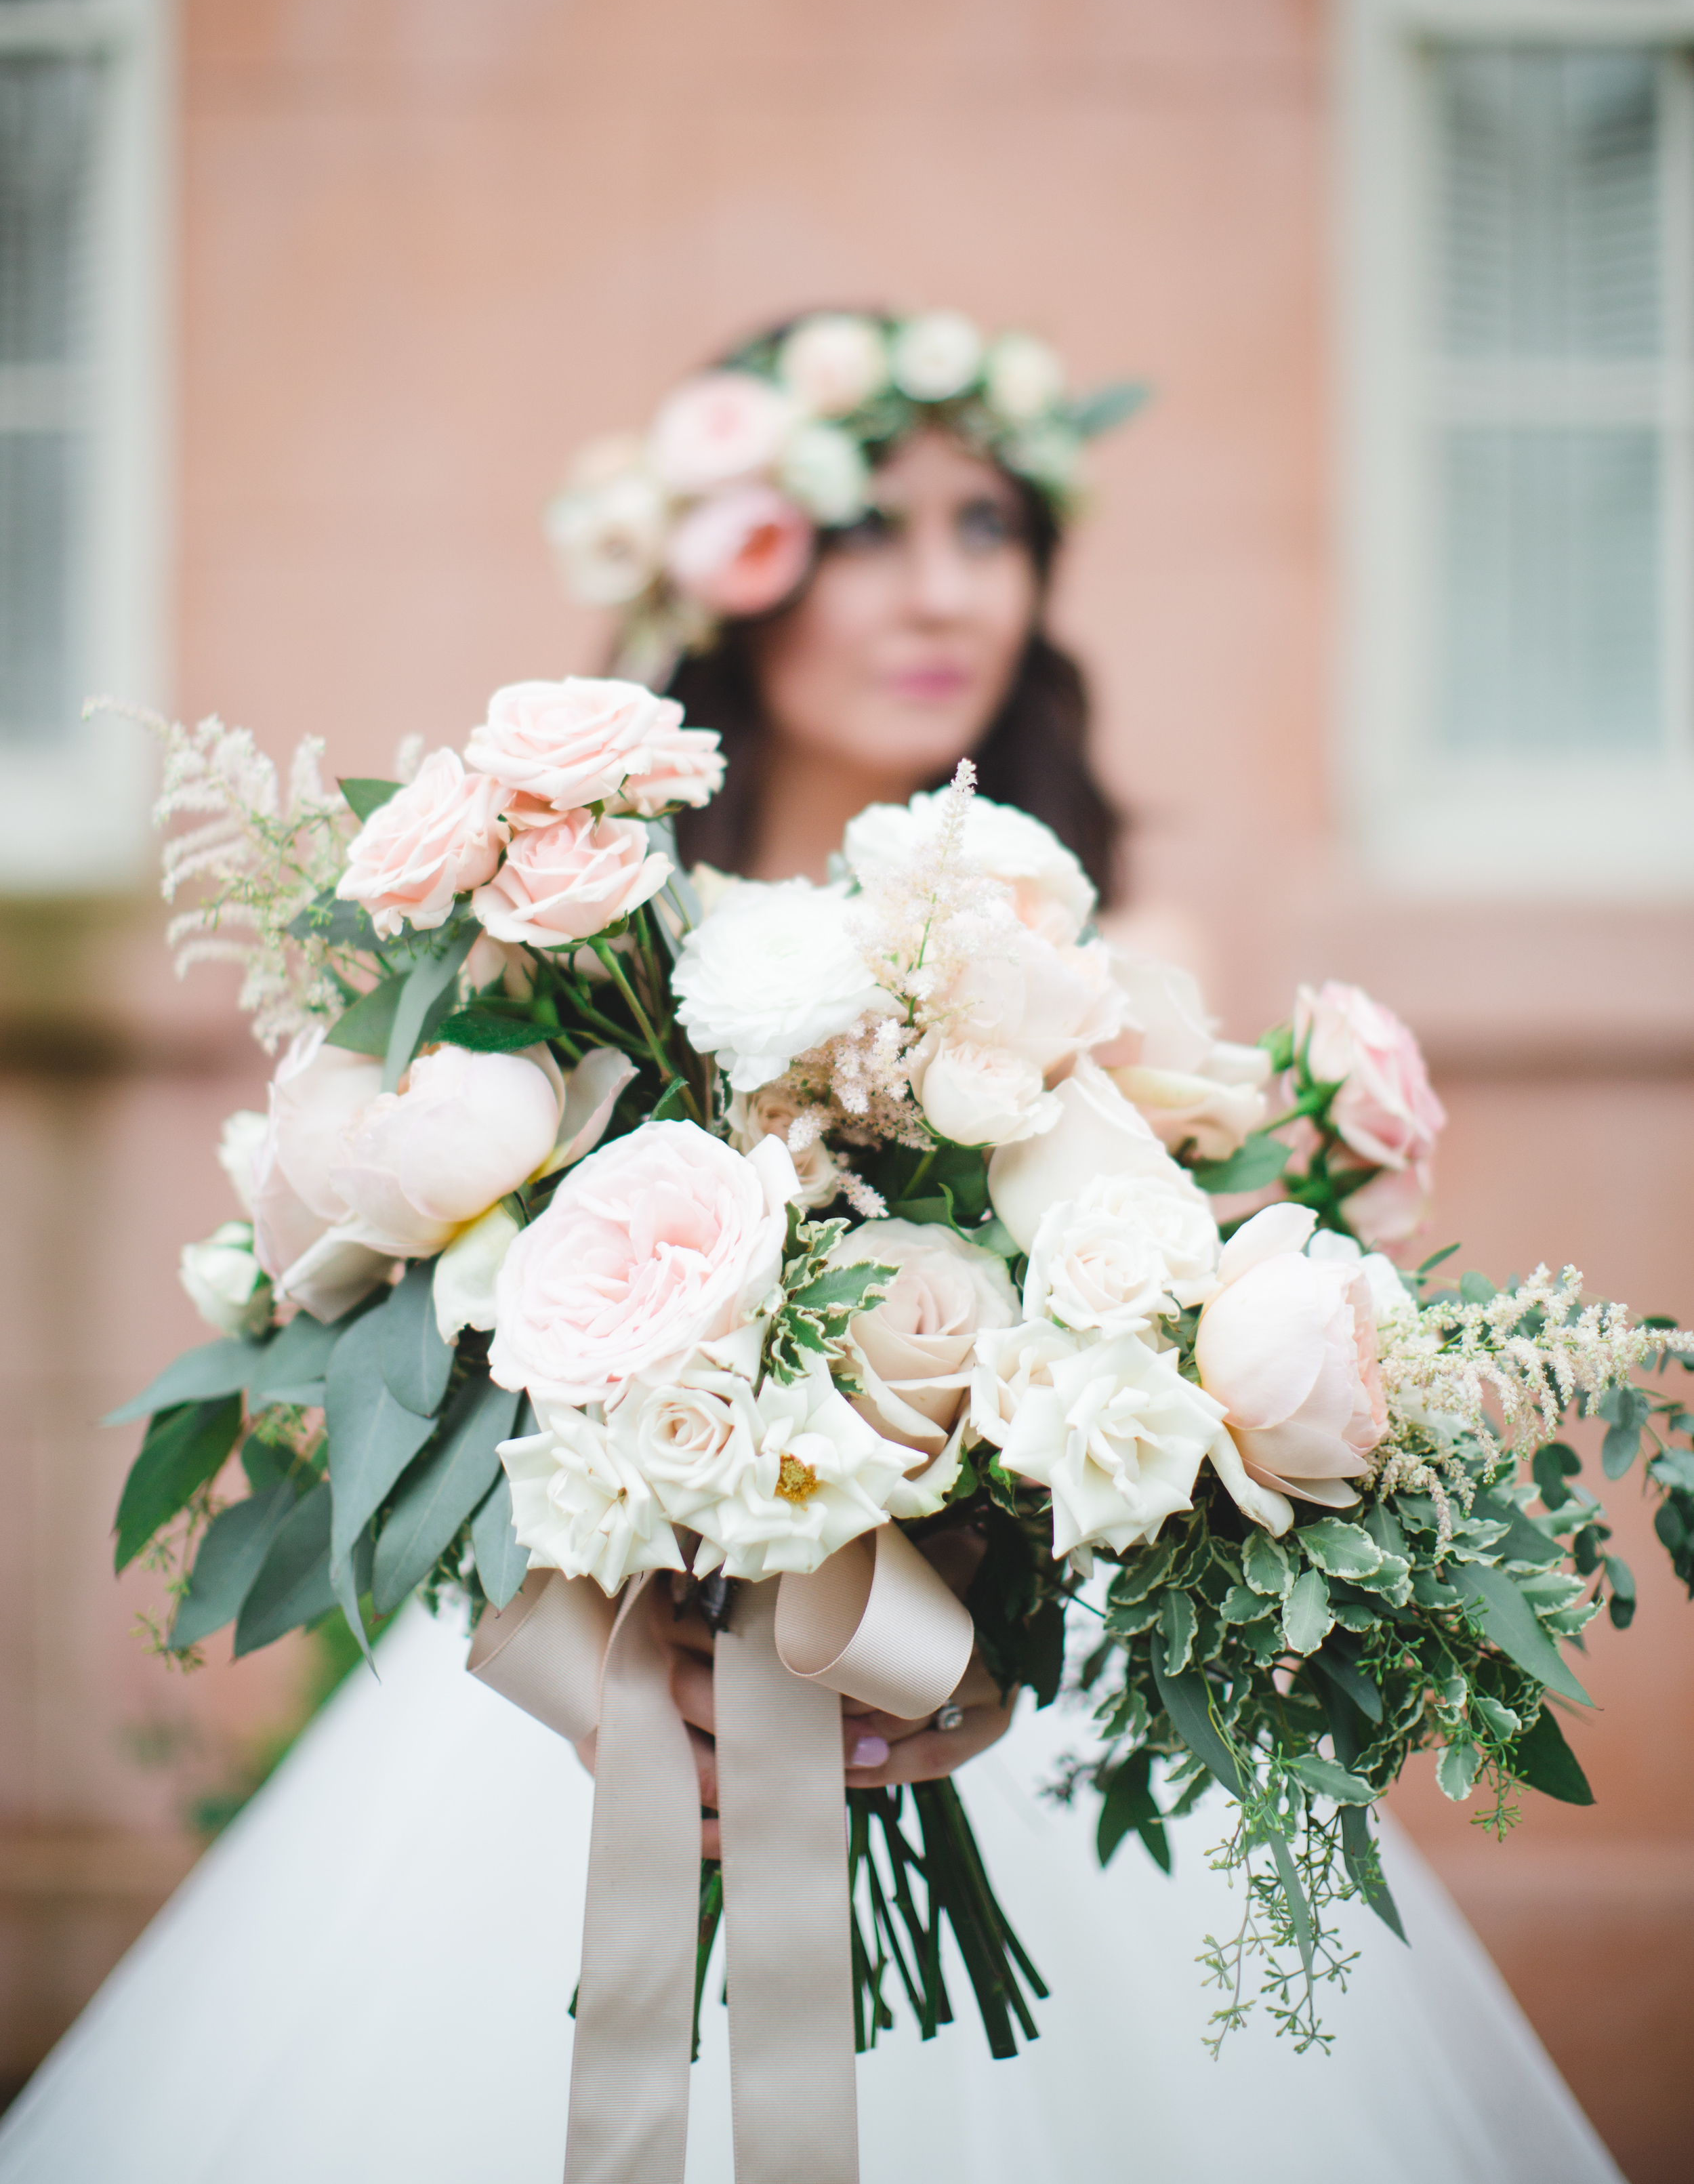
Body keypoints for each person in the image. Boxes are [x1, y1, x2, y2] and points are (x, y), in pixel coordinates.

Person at [0, 310, 1621, 2184]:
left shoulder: (1106, 941)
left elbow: (1144, 1350)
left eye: (991, 531)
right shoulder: (573, 947)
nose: (943, 596)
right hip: (606, 1720)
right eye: (874, 532)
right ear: (737, 574)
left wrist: (980, 1607)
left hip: (980, 1713)